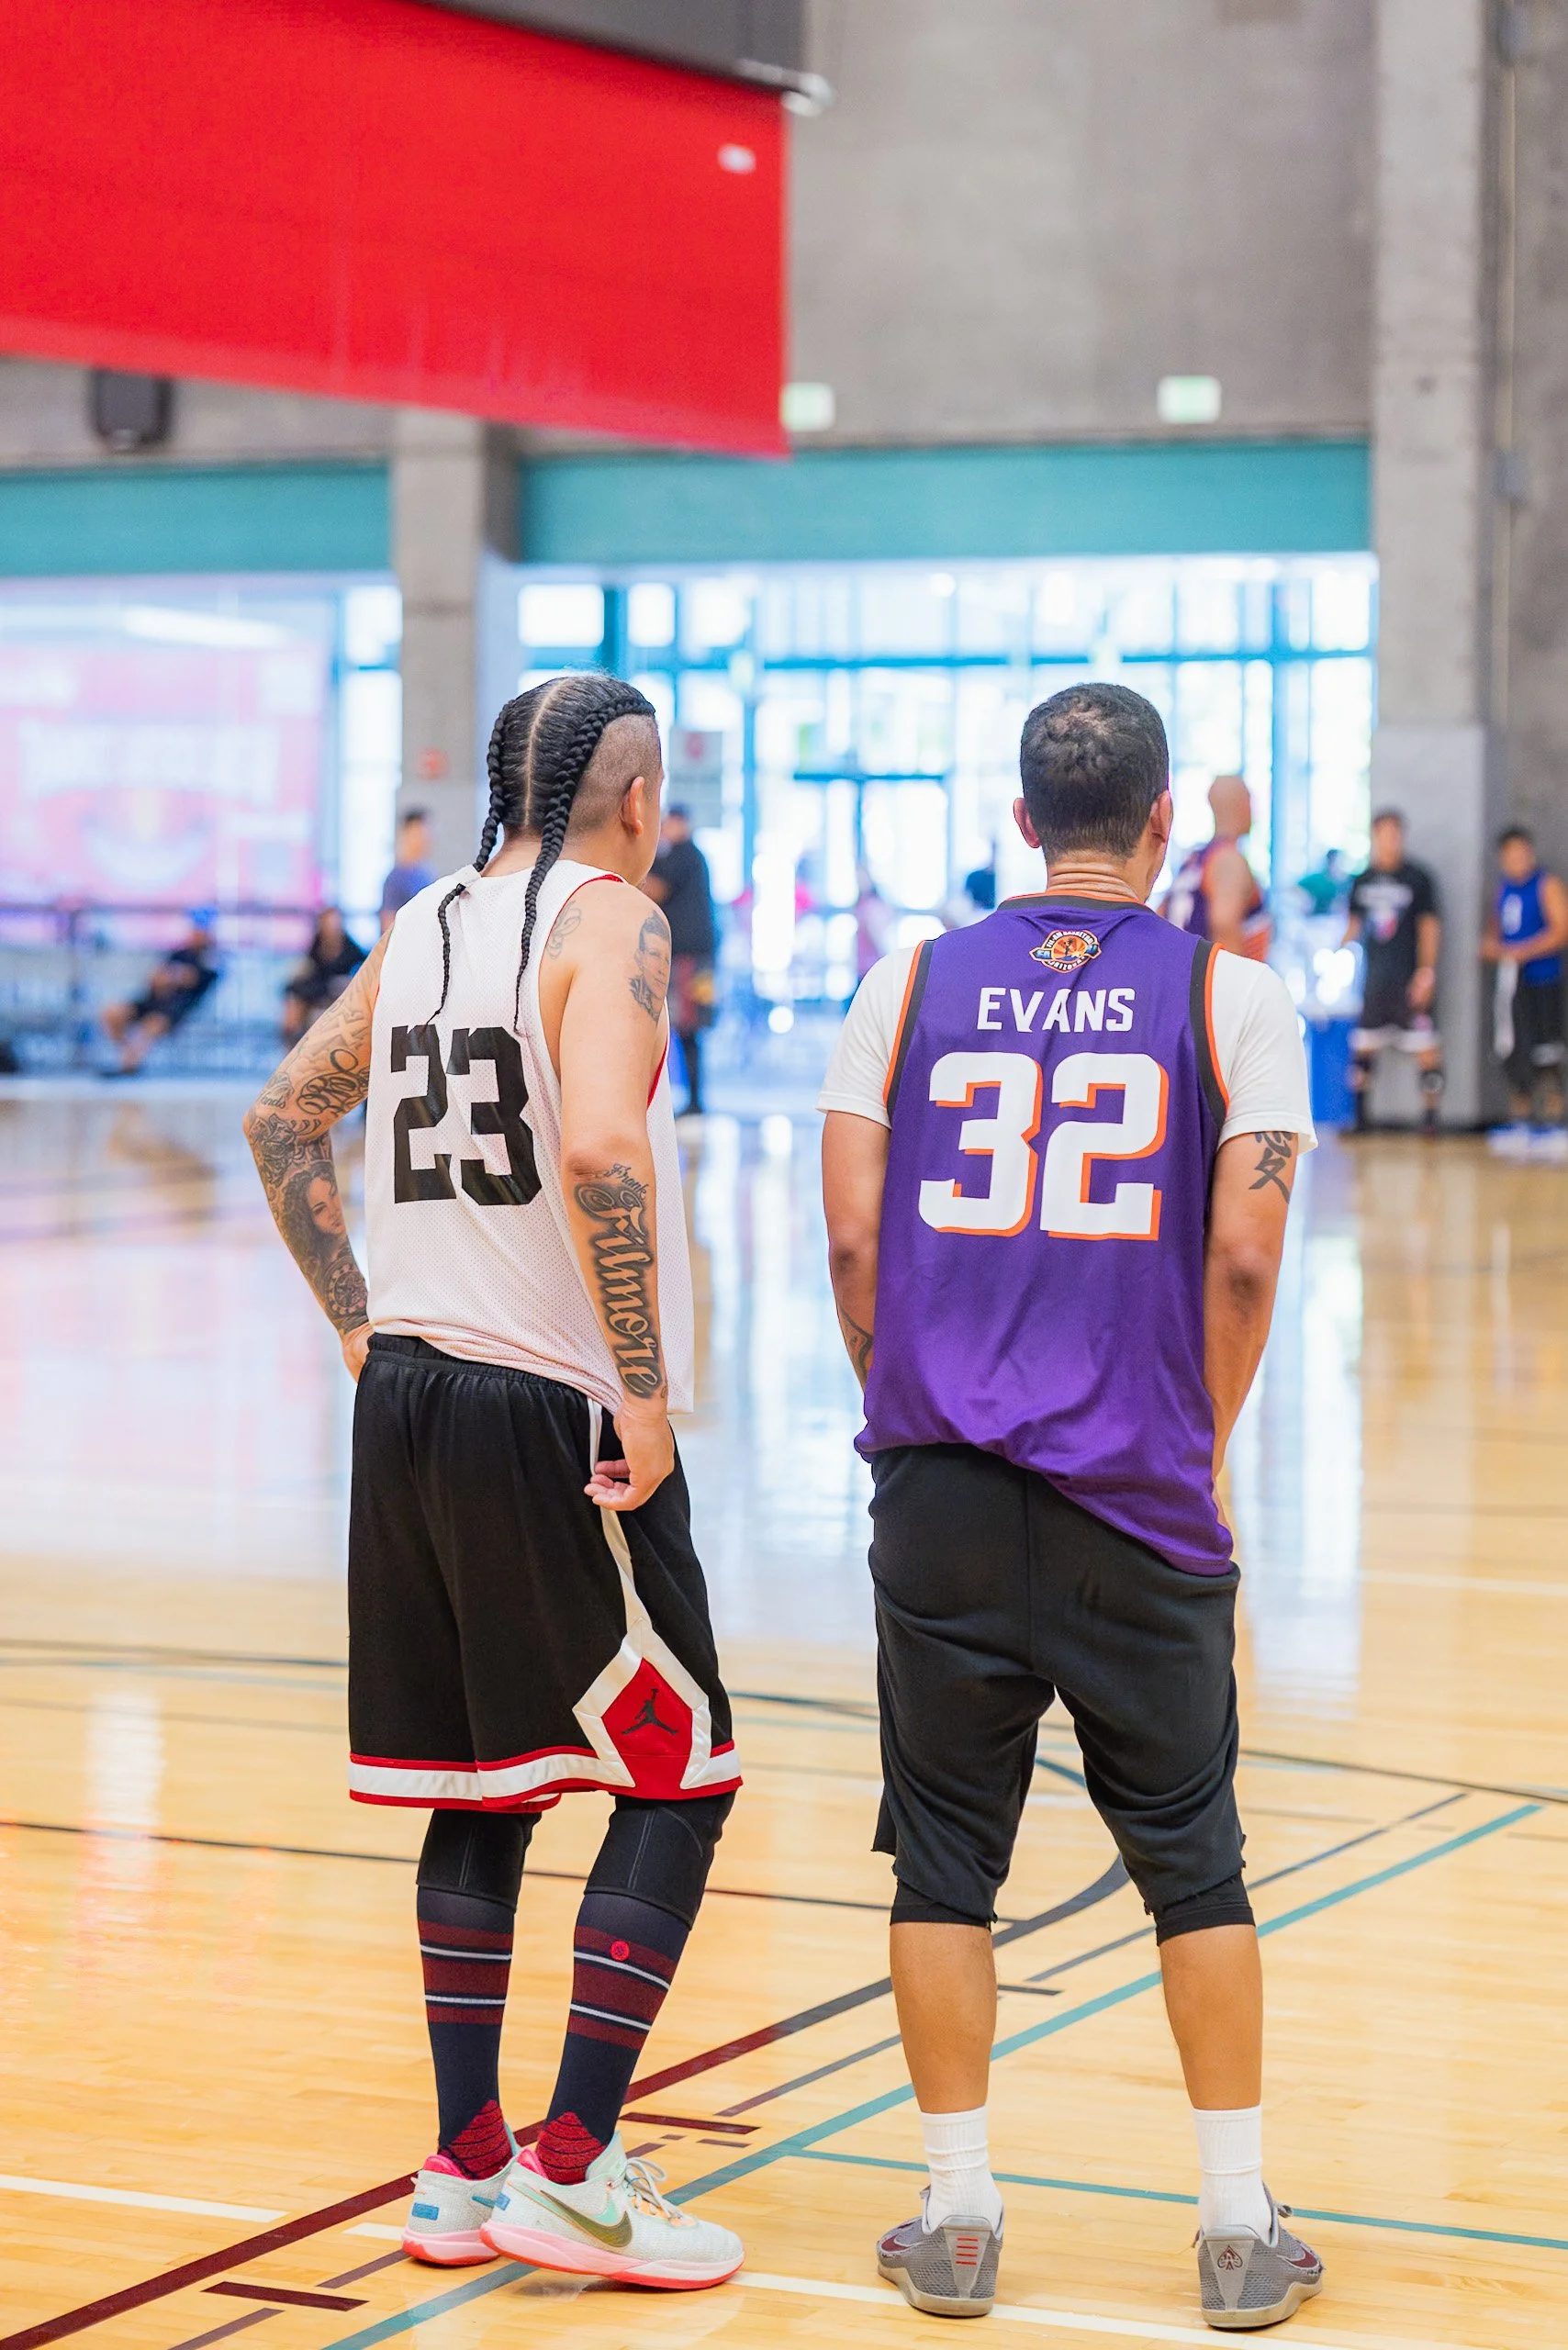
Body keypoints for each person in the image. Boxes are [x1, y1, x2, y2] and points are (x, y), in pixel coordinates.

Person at [819, 682, 1322, 2332]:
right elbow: (1240, 1256)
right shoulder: (1232, 996)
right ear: (1164, 825)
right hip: (1136, 1498)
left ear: (1019, 821)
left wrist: (914, 1414)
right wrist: (1187, 1437)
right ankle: (1237, 2227)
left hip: (942, 1494)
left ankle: (956, 2213)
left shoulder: (902, 984)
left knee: (941, 1865)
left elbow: (844, 1246)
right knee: (1195, 1864)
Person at [243, 675, 744, 2290]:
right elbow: (601, 1148)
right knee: (680, 1776)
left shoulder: (422, 917)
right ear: (636, 796)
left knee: (482, 1789)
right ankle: (580, 2168)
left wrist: (351, 1325)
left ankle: (464, 2168)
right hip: (553, 1407)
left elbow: (280, 1119)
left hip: (405, 1393)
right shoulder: (614, 920)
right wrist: (647, 1394)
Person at [1342, 811, 1443, 1133]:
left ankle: (1430, 1119)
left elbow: (1429, 927)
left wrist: (1426, 972)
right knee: (1363, 1046)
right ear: (1375, 837)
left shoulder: (1418, 878)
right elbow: (1353, 926)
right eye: (1383, 834)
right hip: (1375, 981)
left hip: (1408, 977)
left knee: (1425, 1046)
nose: (1390, 841)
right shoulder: (1363, 880)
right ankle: (1361, 1118)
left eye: (1395, 834)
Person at [1482, 824, 1568, 1156]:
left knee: (1547, 1052)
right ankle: (1521, 1120)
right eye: (1510, 854)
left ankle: (1554, 1119)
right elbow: (1494, 935)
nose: (1517, 859)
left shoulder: (1546, 885)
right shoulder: (1503, 890)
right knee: (1515, 1050)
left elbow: (1560, 931)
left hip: (1542, 981)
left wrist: (1524, 951)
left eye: (1522, 852)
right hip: (1512, 985)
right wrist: (1494, 949)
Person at [642, 805, 716, 1115]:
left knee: (684, 1027)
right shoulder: (693, 856)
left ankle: (694, 1100)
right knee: (688, 1029)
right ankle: (694, 1099)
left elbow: (653, 890)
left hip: (687, 957)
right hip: (696, 955)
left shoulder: (681, 856)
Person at [1160, 774, 1271, 959]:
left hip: (1181, 978)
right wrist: (1238, 986)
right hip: (1214, 983)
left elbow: (1159, 917)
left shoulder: (1192, 863)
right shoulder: (1229, 860)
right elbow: (1224, 925)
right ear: (1245, 805)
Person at [101, 910, 221, 1074]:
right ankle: (129, 1056)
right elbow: (155, 978)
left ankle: (129, 1063)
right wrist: (174, 977)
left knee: (153, 1023)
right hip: (151, 1001)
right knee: (111, 1013)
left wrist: (171, 977)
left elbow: (192, 979)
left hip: (177, 1010)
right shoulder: (179, 953)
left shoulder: (211, 958)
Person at [281, 907, 367, 1044]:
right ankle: (293, 1042)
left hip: (342, 997)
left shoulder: (352, 951)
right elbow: (303, 978)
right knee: (294, 999)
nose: (331, 928)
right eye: (327, 923)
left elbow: (363, 974)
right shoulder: (314, 950)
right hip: (318, 993)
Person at [380, 807, 436, 933]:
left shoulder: (426, 874)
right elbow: (388, 928)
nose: (426, 839)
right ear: (407, 834)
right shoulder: (395, 879)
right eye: (420, 834)